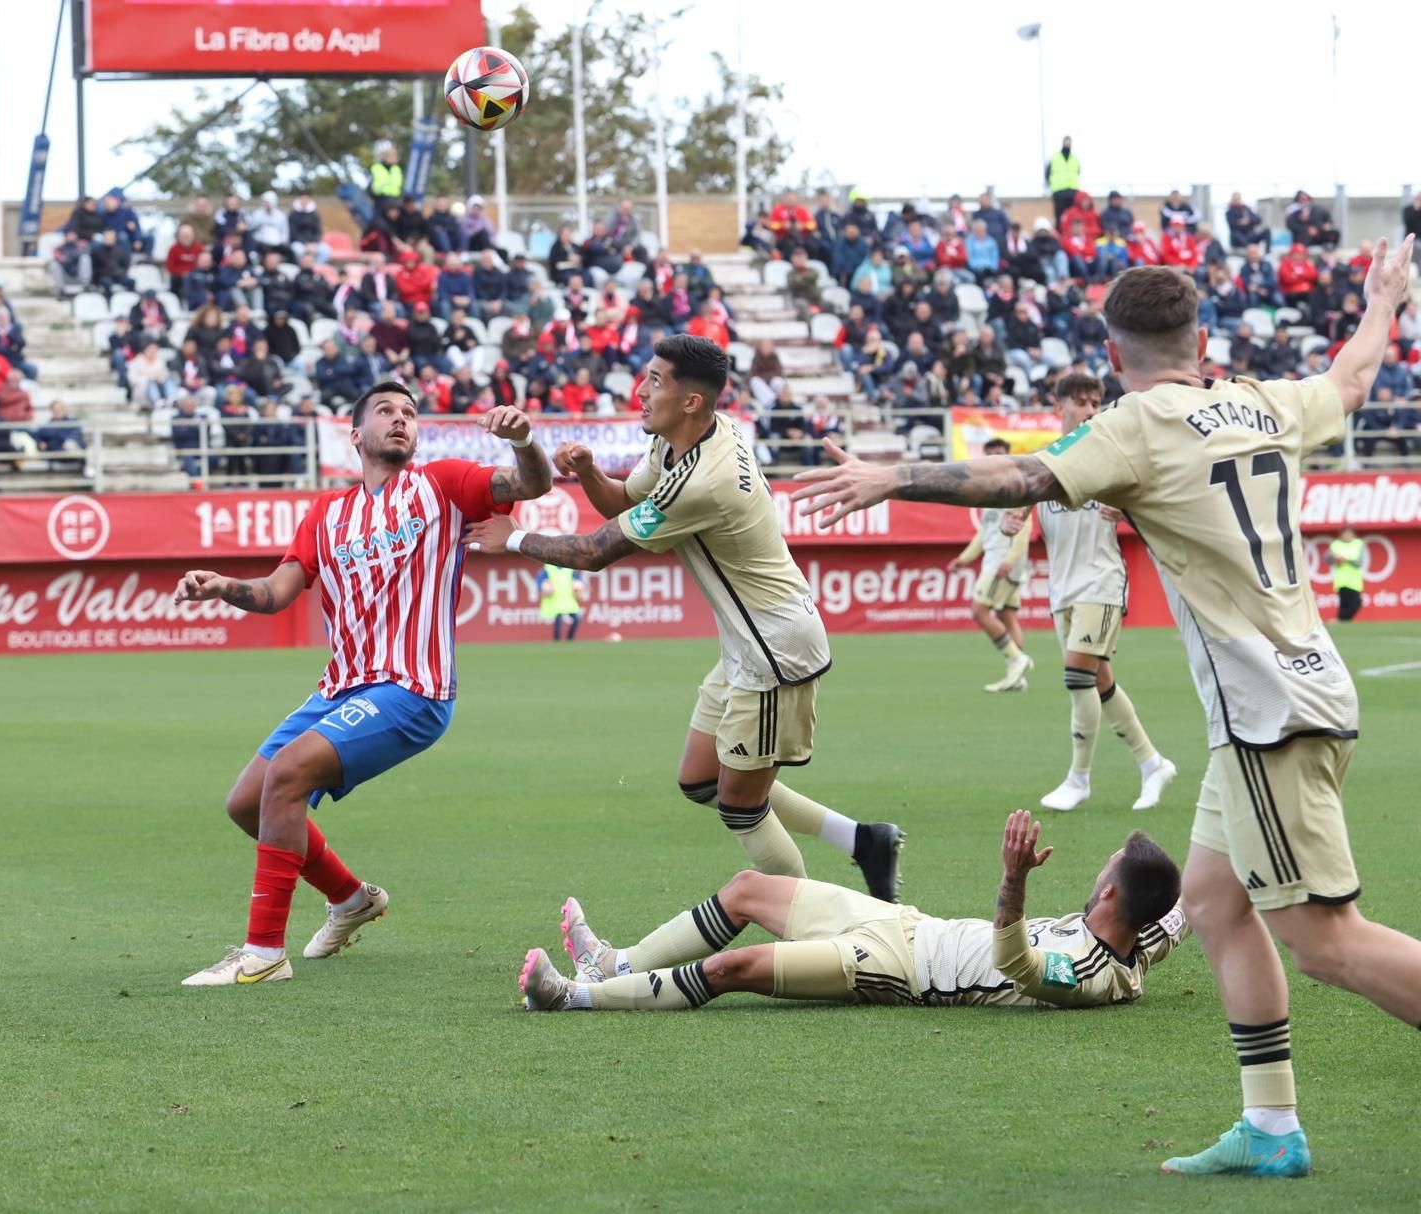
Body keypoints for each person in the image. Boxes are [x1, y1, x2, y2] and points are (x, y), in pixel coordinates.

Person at [789, 243, 1421, 1180]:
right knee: (1212, 902)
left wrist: (891, 476)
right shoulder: (1265, 398)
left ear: (1114, 355)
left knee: (1326, 941)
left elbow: (1022, 481)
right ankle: (1271, 1126)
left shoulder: (1135, 426)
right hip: (1293, 697)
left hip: (1270, 714)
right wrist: (1382, 302)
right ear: (1200, 340)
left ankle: (1274, 1124)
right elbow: (1355, 377)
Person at [464, 334, 907, 898]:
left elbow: (596, 552)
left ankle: (813, 923)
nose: (640, 390)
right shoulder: (686, 439)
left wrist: (515, 537)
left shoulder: (705, 482)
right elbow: (625, 502)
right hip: (748, 641)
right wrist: (591, 471)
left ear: (692, 400)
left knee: (740, 806)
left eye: (655, 380)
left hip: (774, 651)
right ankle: (864, 841)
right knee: (700, 780)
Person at [175, 384, 555, 986]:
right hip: (341, 687)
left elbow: (532, 484)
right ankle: (351, 899)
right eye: (386, 411)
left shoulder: (442, 484)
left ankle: (263, 954)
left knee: (288, 772)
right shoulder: (327, 513)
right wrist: (224, 586)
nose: (401, 419)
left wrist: (524, 440)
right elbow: (276, 593)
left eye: (409, 413)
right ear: (356, 436)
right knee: (246, 802)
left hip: (413, 688)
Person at [521, 809, 1187, 1014]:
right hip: (906, 923)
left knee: (733, 969)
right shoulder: (1143, 935)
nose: (1097, 873)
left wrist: (1013, 877)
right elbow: (1189, 909)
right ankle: (615, 962)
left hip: (897, 969)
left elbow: (1018, 964)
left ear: (1110, 895)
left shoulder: (1091, 974)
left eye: (1105, 869)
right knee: (748, 888)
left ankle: (575, 996)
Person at [1006, 373, 1179, 811]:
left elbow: (1152, 500)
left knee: (1077, 674)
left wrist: (1127, 510)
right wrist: (1014, 518)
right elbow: (1018, 501)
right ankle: (1153, 763)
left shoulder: (1112, 457)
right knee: (1099, 680)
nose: (1089, 410)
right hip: (1062, 588)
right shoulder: (1044, 462)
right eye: (1080, 402)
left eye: (1095, 403)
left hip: (1101, 581)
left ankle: (1078, 778)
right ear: (1059, 408)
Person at [947, 438, 1033, 692]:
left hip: (1002, 562)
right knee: (1007, 616)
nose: (995, 458)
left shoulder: (1016, 488)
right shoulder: (991, 492)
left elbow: (1024, 527)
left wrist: (1009, 560)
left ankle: (1017, 659)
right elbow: (985, 532)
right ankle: (1016, 677)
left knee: (979, 610)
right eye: (991, 454)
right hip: (998, 560)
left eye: (1000, 453)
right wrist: (964, 558)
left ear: (1009, 456)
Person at [537, 563, 586, 641]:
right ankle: (557, 640)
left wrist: (579, 588)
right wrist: (543, 589)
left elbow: (579, 581)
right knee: (559, 619)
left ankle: (570, 639)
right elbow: (540, 581)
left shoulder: (570, 568)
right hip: (554, 602)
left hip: (568, 601)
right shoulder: (548, 568)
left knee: (577, 618)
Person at [1329, 527, 1364, 622]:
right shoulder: (1336, 545)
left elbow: (1359, 562)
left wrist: (1346, 559)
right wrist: (1335, 558)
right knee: (1344, 604)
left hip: (1354, 582)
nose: (1347, 536)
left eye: (1349, 533)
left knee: (1356, 603)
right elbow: (1328, 559)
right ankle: (1342, 622)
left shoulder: (1358, 544)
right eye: (1345, 533)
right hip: (1342, 581)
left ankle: (1341, 620)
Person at [1046, 136, 1082, 225]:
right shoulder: (1054, 157)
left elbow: (1078, 172)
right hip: (1059, 190)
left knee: (1073, 215)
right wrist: (1051, 185)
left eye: (1069, 142)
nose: (1068, 143)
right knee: (1059, 215)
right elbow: (1047, 173)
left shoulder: (1075, 159)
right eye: (1066, 141)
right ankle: (1060, 230)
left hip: (1073, 190)